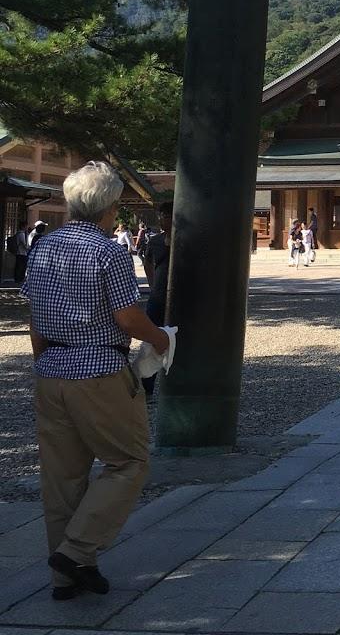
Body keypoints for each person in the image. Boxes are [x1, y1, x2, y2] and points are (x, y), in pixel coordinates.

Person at [24, 160, 170, 601]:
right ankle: (75, 551)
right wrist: (160, 338)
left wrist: (46, 362)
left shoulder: (44, 246)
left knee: (63, 478)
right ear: (109, 207)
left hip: (52, 370)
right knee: (128, 462)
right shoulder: (107, 251)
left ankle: (67, 577)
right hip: (101, 371)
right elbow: (127, 317)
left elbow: (35, 319)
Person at [140, 201, 173, 397]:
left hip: (181, 297)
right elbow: (147, 263)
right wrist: (153, 286)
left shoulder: (186, 239)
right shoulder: (155, 241)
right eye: (160, 215)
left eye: (165, 215)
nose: (161, 219)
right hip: (158, 296)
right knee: (151, 341)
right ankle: (147, 388)